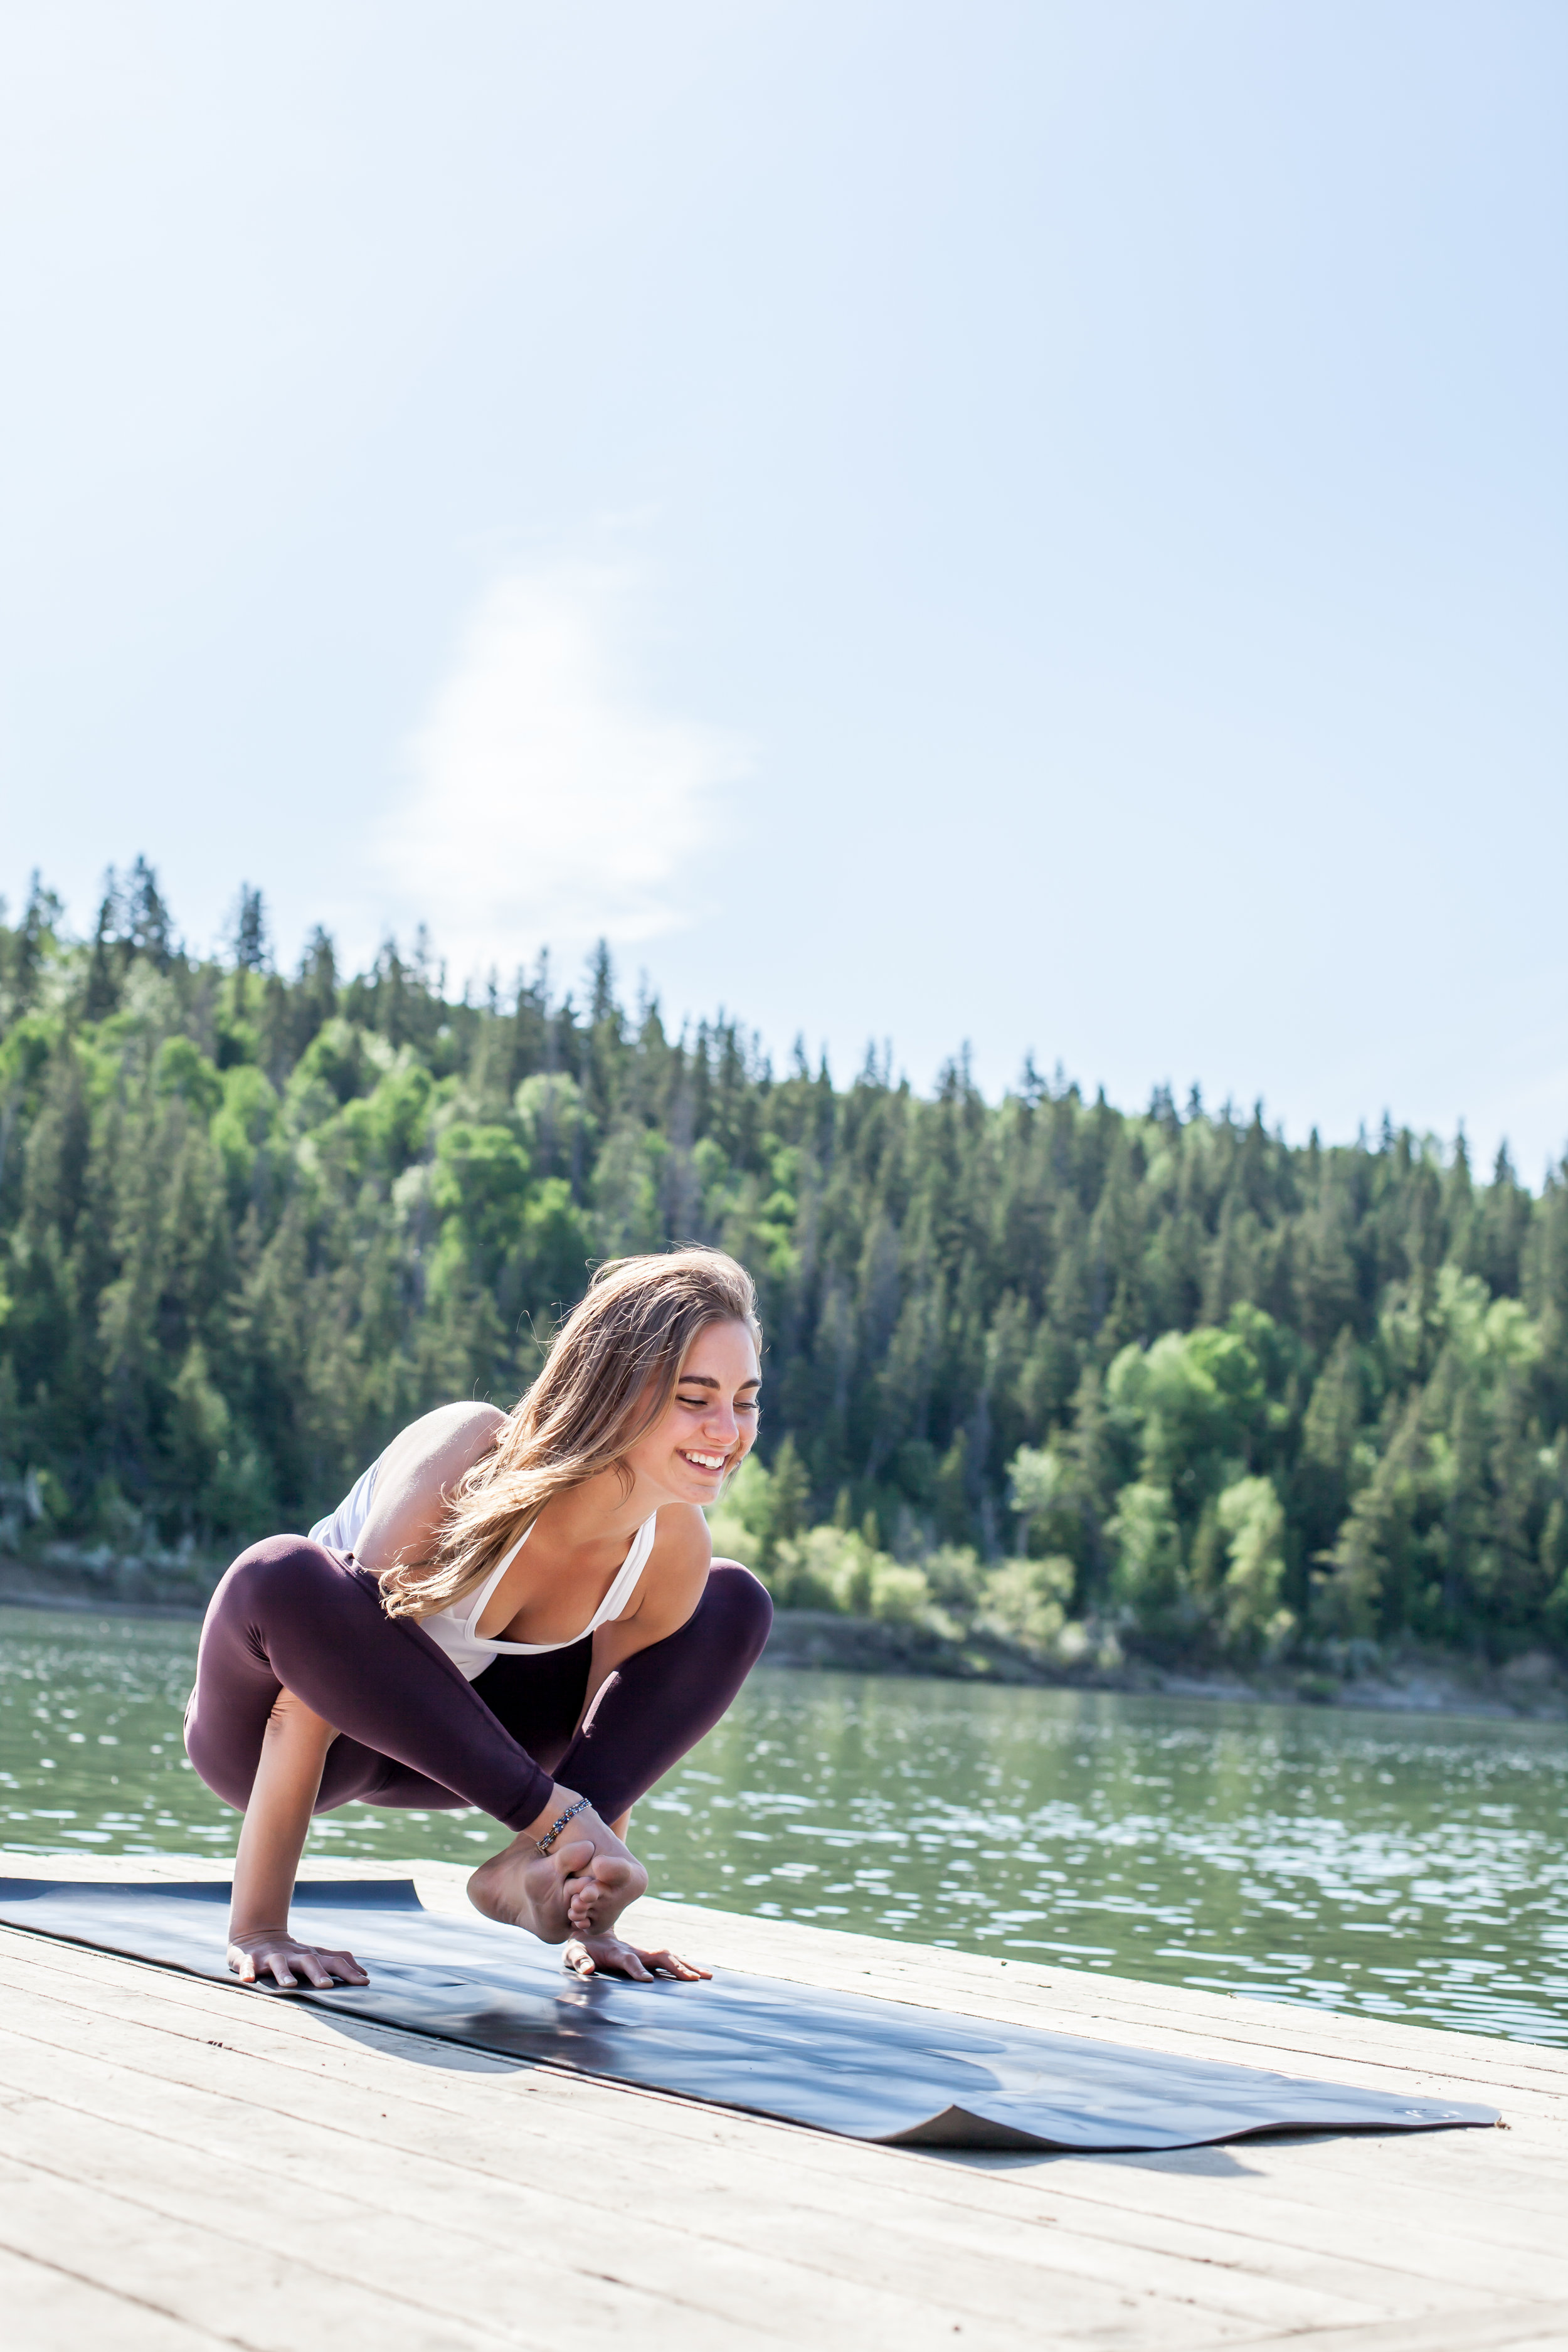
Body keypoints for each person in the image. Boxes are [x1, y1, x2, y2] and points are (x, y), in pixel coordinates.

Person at [184, 1248, 771, 1991]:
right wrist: (261, 1929)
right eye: (696, 1397)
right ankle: (544, 1828)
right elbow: (310, 1701)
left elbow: (610, 1731)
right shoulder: (470, 1455)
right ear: (617, 1390)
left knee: (732, 1602)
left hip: (468, 1757)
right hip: (279, 1730)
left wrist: (594, 1916)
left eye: (745, 1400)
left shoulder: (671, 1547)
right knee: (284, 1573)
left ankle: (532, 1865)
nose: (727, 1429)